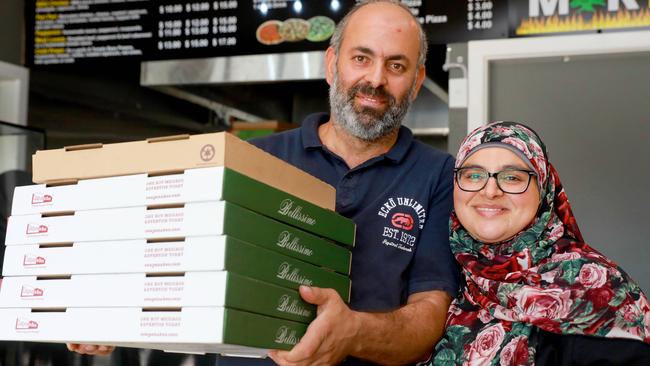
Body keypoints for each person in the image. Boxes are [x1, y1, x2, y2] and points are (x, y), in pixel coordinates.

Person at [68, 1, 460, 364]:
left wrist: (353, 333)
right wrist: (104, 308)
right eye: (361, 58)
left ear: (416, 79)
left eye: (396, 66)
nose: (375, 79)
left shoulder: (440, 174)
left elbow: (431, 311)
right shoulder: (253, 158)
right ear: (331, 64)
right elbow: (175, 258)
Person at [429, 121, 650, 365]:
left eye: (512, 177)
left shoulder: (598, 288)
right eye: (473, 175)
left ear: (544, 188)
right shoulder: (437, 272)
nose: (490, 190)